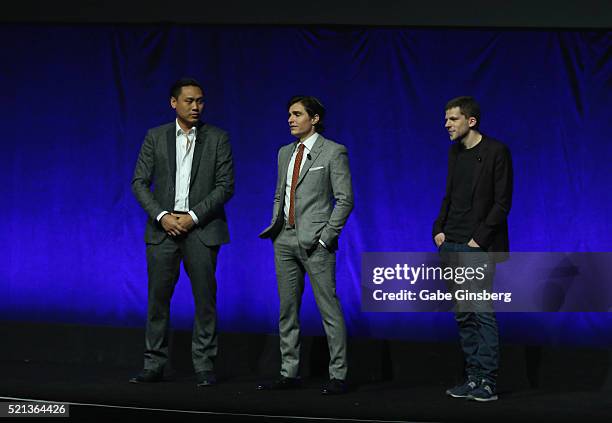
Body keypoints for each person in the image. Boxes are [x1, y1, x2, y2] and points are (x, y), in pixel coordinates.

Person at [130, 77, 234, 387]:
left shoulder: (218, 138)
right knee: (157, 300)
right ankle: (154, 364)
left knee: (205, 301)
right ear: (174, 103)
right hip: (163, 231)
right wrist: (162, 216)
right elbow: (139, 182)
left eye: (200, 101)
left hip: (201, 230)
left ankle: (204, 365)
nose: (196, 106)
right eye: (189, 101)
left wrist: (192, 216)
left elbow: (226, 186)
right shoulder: (155, 136)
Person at [258, 96, 354, 395]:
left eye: (297, 114)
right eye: (289, 114)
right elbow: (279, 193)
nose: (290, 119)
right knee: (287, 309)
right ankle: (289, 372)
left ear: (314, 119)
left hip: (316, 243)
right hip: (283, 240)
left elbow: (345, 199)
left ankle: (338, 375)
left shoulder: (333, 151)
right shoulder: (284, 152)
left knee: (329, 308)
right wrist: (276, 224)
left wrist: (327, 236)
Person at [433, 96, 513, 402]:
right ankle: (473, 376)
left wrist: (478, 240)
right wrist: (438, 230)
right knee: (463, 315)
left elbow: (502, 202)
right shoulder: (455, 153)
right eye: (446, 120)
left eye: (452, 119)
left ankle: (488, 380)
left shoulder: (496, 151)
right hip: (450, 241)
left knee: (481, 313)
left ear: (471, 121)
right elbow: (449, 195)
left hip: (475, 246)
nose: (447, 125)